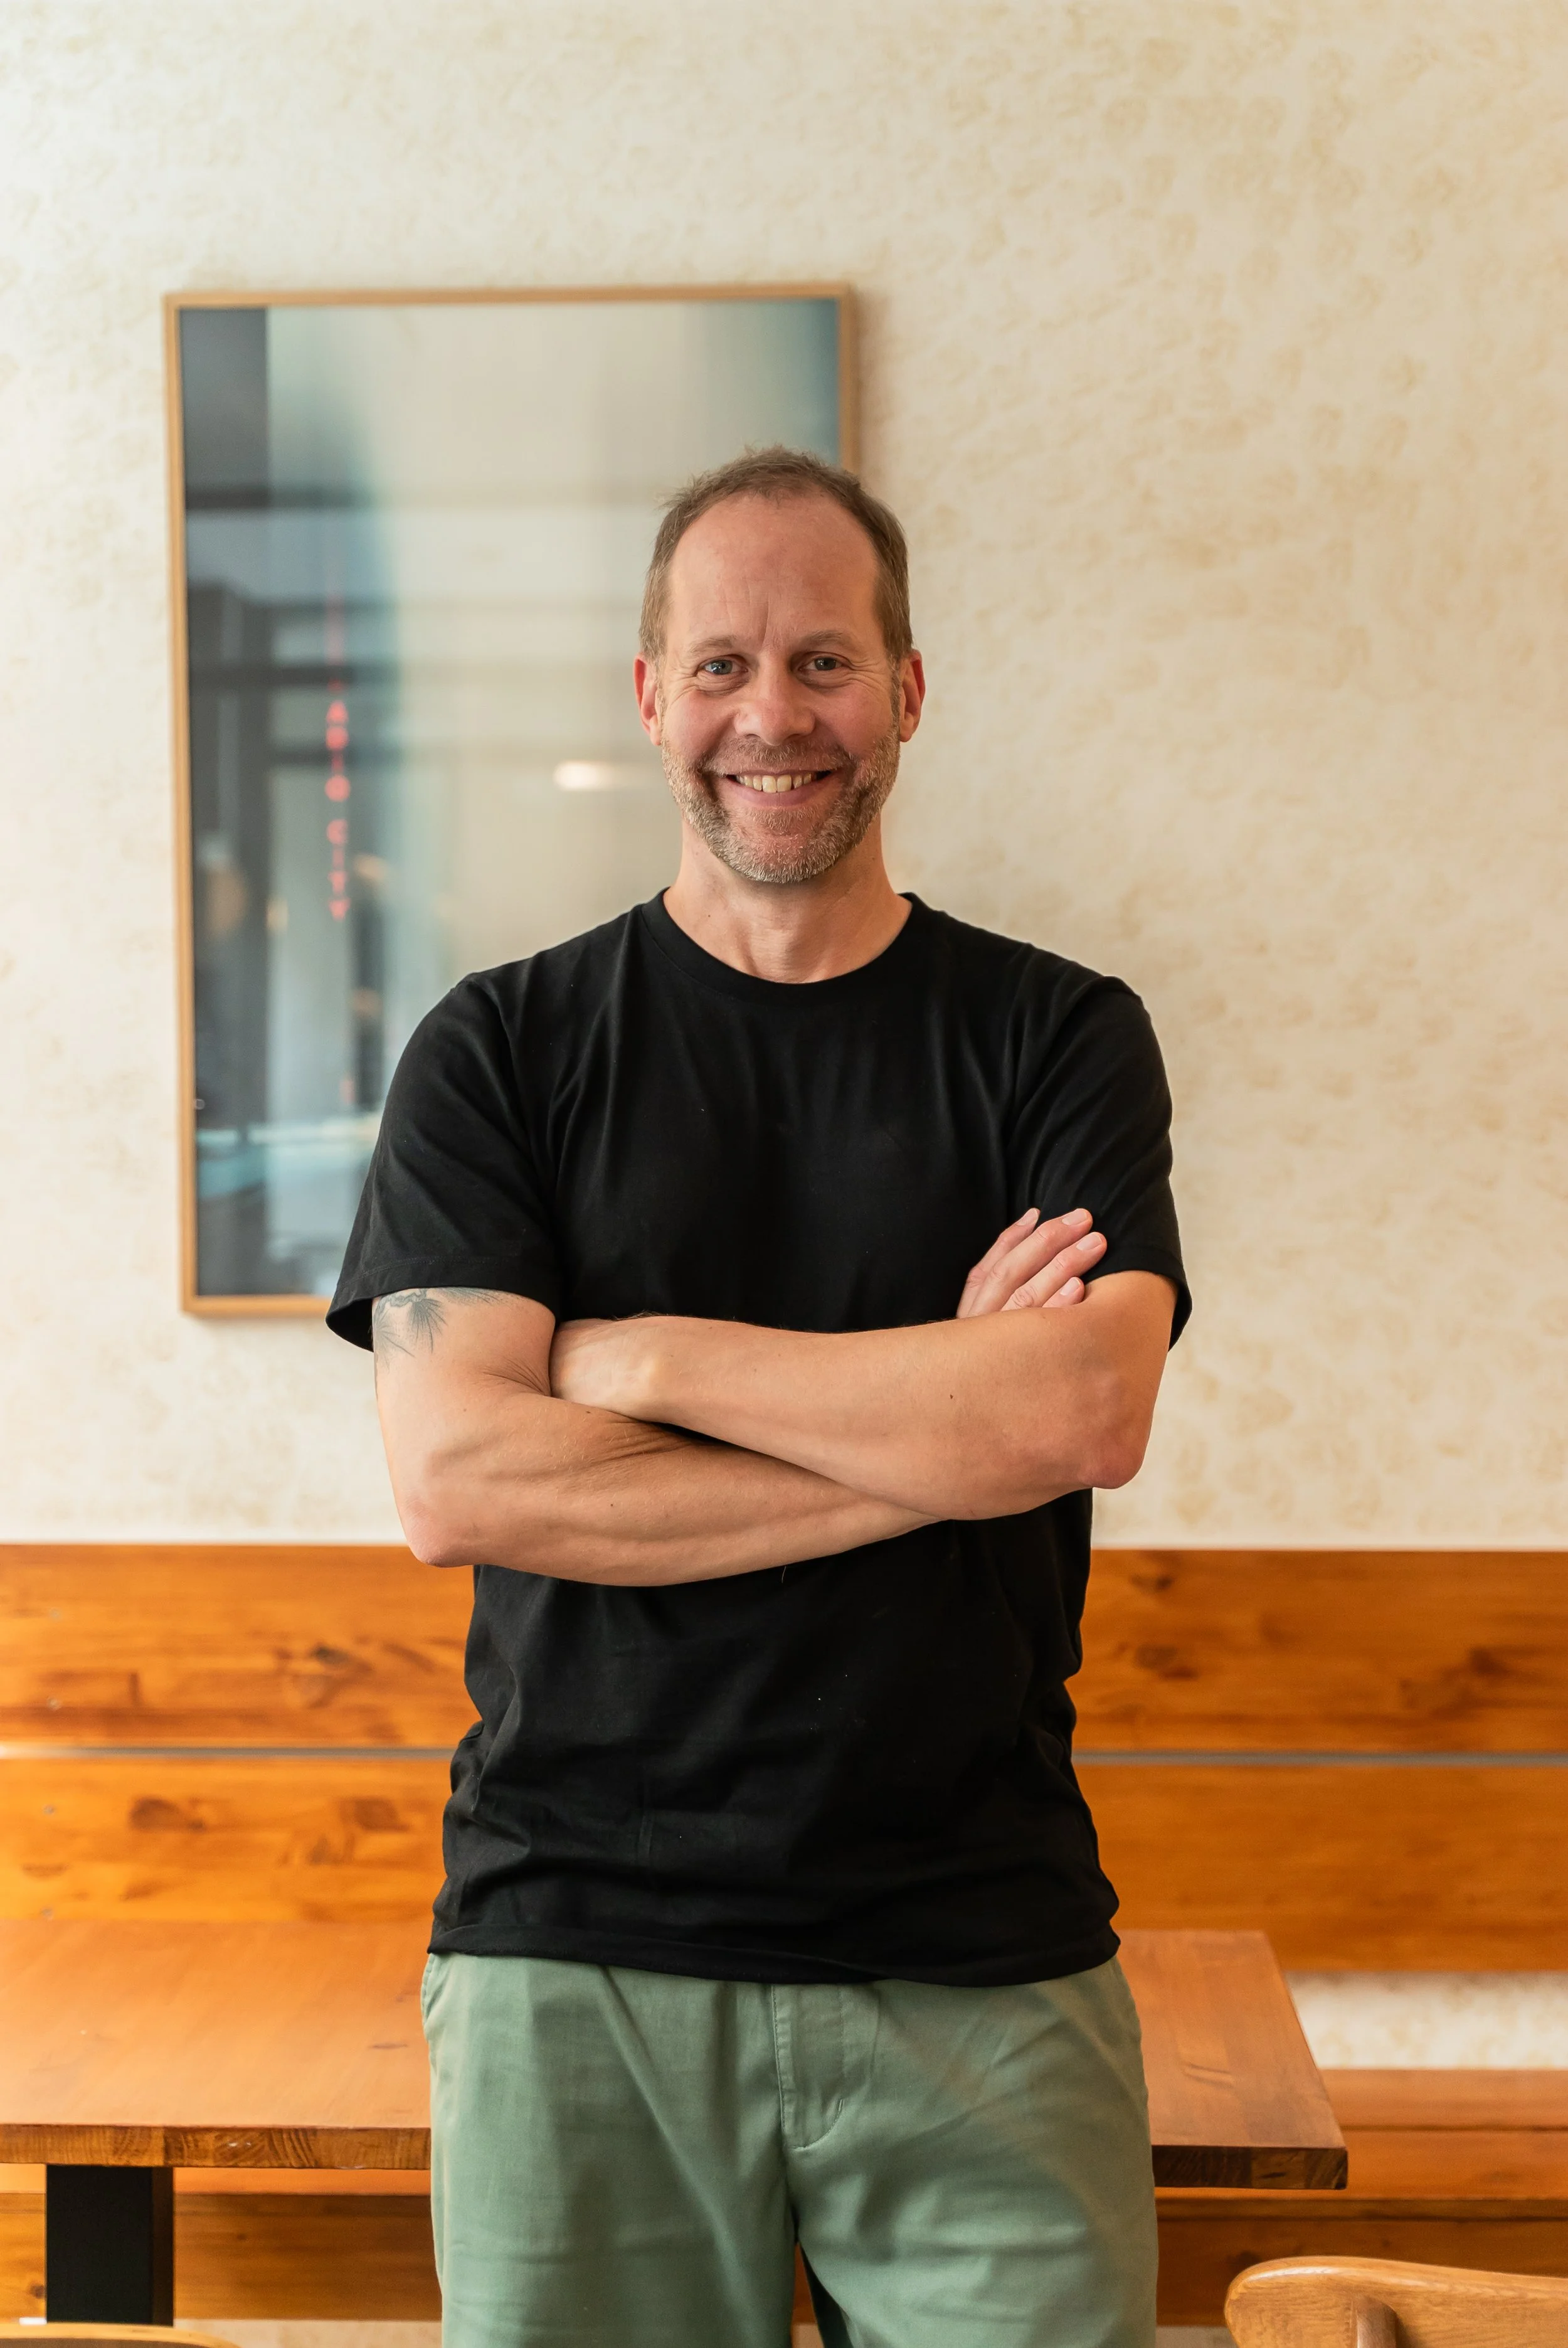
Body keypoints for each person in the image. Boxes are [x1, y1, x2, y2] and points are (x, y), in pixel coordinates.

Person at [329, 447, 1190, 2348]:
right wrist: (943, 1434)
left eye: (823, 660)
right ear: (651, 697)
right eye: (721, 664)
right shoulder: (500, 1050)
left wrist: (636, 1359)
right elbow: (463, 1479)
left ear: (906, 688)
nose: (772, 715)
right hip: (578, 1955)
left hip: (979, 1952)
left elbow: (1078, 1414)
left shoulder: (1057, 1036)